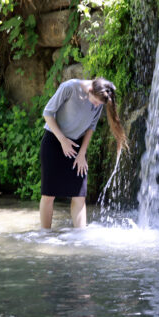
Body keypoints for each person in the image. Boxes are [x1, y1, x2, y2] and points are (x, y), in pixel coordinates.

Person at [39, 77, 127, 229]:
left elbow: (91, 126)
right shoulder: (69, 87)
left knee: (79, 195)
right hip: (54, 140)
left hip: (77, 146)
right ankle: (44, 235)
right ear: (90, 90)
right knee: (49, 194)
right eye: (95, 102)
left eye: (99, 104)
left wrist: (82, 153)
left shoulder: (100, 97)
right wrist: (62, 140)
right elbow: (47, 113)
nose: (96, 106)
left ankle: (80, 237)